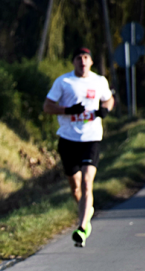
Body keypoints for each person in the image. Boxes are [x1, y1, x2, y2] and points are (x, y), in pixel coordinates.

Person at [44, 47, 114, 248]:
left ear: (91, 62)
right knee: (75, 188)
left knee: (86, 181)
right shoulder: (63, 82)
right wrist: (67, 110)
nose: (82, 62)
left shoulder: (99, 81)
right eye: (78, 58)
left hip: (91, 139)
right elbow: (47, 106)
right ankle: (87, 209)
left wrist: (105, 109)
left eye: (86, 58)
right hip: (68, 139)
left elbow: (108, 98)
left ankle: (82, 228)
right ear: (73, 62)